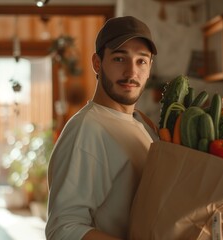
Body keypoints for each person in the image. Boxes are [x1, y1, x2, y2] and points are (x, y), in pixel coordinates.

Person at [45, 16, 158, 240]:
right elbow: (63, 229)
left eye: (141, 61)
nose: (131, 72)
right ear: (97, 63)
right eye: (119, 58)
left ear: (149, 66)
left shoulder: (143, 124)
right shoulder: (86, 129)